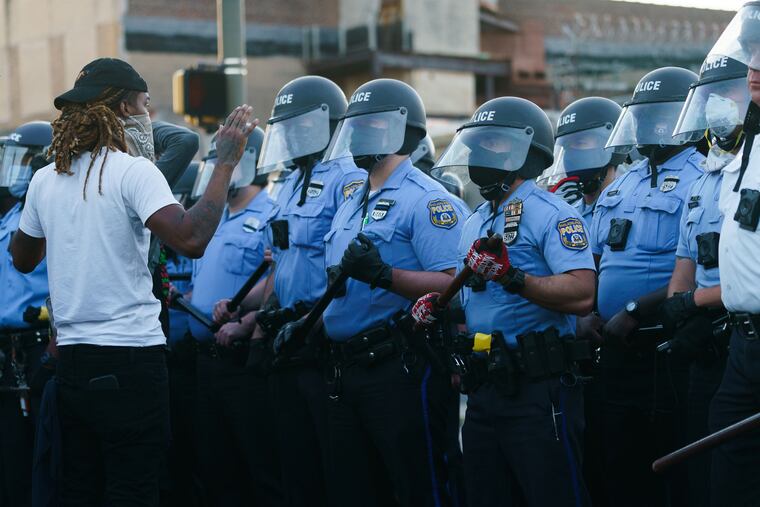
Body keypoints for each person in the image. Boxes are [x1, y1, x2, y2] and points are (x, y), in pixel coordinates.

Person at [10, 57, 256, 506]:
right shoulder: (132, 171)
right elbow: (192, 237)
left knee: (79, 489)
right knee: (134, 488)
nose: (149, 114)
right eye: (145, 104)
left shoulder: (46, 180)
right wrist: (224, 163)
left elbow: (22, 258)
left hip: (72, 365)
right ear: (123, 109)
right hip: (131, 361)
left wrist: (67, 229)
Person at [274, 78, 467, 507]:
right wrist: (306, 326)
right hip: (345, 369)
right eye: (355, 126)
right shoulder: (351, 202)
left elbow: (459, 285)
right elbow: (338, 287)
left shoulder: (427, 200)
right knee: (354, 490)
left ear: (400, 130)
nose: (359, 134)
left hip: (400, 367)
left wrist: (386, 275)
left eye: (371, 125)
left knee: (421, 486)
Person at [414, 96, 596, 506]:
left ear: (525, 153)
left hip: (538, 389)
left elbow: (583, 293)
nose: (480, 152)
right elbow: (476, 297)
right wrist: (438, 305)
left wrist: (512, 276)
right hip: (484, 390)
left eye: (494, 143)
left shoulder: (553, 213)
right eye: (479, 142)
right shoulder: (476, 219)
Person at [213, 75, 365, 507]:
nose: (294, 135)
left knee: (332, 471)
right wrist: (244, 311)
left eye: (302, 126)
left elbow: (348, 265)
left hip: (321, 341)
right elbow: (281, 268)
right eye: (288, 128)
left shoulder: (348, 177)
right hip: (285, 341)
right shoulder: (286, 185)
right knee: (291, 470)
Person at [592, 66, 705, 506]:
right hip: (613, 349)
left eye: (656, 117)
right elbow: (597, 259)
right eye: (640, 117)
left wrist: (637, 309)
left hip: (666, 348)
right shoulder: (623, 182)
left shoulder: (703, 175)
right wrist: (588, 313)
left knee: (671, 469)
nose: (645, 126)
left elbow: (698, 267)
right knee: (618, 469)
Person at [665, 53, 750, 507]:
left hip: (737, 325)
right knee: (701, 460)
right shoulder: (703, 179)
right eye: (713, 96)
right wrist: (680, 309)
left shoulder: (753, 170)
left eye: (730, 94)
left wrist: (696, 303)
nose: (720, 104)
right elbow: (685, 261)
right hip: (704, 339)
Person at [186, 127, 282, 507]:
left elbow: (282, 282)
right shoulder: (213, 216)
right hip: (204, 363)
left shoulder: (272, 214)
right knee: (215, 472)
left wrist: (247, 322)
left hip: (243, 363)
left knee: (258, 472)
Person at [703, 4, 760, 505]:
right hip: (744, 344)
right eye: (753, 57)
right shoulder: (748, 145)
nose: (755, 71)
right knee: (729, 476)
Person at [0, 121, 52, 507]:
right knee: (10, 458)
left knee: (43, 454)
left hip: (41, 347)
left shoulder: (49, 212)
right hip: (6, 351)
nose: (11, 173)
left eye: (20, 162)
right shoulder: (7, 217)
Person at [537, 97, 626, 219]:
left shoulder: (630, 210)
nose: (571, 153)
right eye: (567, 146)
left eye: (580, 143)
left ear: (610, 144)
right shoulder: (564, 214)